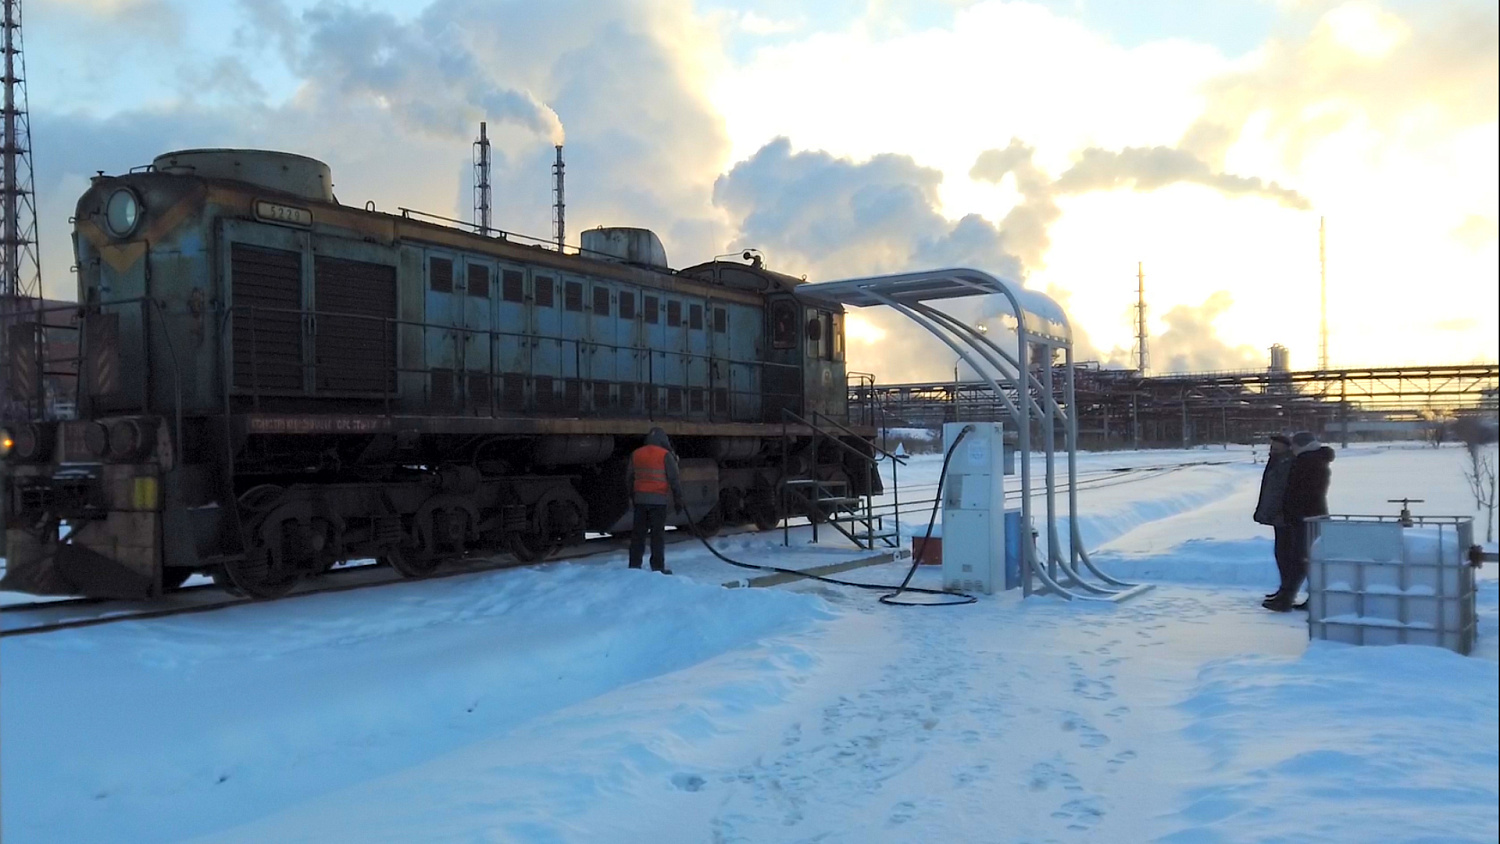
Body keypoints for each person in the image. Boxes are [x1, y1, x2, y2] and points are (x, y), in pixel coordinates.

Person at [1265, 431, 1335, 612]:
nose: (1292, 449)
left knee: (1301, 560)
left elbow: (1305, 493)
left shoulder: (1308, 462)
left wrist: (1293, 511)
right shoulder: (1312, 460)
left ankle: (1286, 599)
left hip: (1306, 517)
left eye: (1294, 446)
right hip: (1307, 517)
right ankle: (1298, 598)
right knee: (1302, 560)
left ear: (1301, 446)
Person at [625, 427, 685, 574]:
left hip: (640, 500)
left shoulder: (636, 454)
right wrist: (678, 499)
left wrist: (632, 496)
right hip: (658, 501)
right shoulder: (665, 455)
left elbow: (629, 478)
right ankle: (657, 567)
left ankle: (634, 565)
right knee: (657, 535)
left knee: (638, 535)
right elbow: (674, 480)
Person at [1253, 434, 1295, 603]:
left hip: (1284, 516)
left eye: (1276, 447)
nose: (1272, 450)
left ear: (1287, 448)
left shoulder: (1287, 464)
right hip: (1277, 516)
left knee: (1287, 555)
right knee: (1282, 554)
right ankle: (1284, 590)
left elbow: (1280, 492)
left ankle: (1287, 593)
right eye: (1271, 447)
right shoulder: (1277, 462)